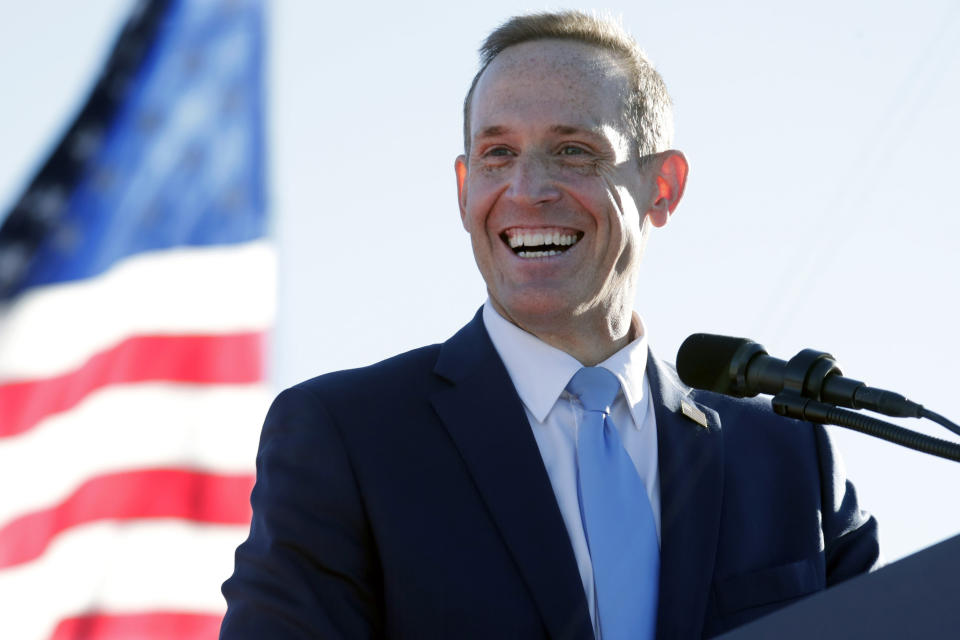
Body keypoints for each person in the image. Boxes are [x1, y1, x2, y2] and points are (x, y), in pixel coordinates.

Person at [220, 11, 879, 639]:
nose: (528, 188)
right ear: (463, 187)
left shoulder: (791, 462)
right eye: (497, 154)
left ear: (663, 187)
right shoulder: (347, 439)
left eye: (573, 150)